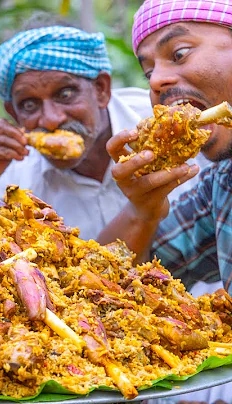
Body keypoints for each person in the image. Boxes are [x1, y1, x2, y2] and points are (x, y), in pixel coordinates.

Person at [98, 1, 232, 401]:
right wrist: (142, 210)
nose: (157, 81)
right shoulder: (220, 186)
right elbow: (101, 286)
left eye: (180, 53)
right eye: (148, 72)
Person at [0, 25, 158, 240]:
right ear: (13, 113)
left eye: (65, 94)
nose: (51, 120)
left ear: (101, 89)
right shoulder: (10, 185)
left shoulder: (159, 121)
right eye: (29, 105)